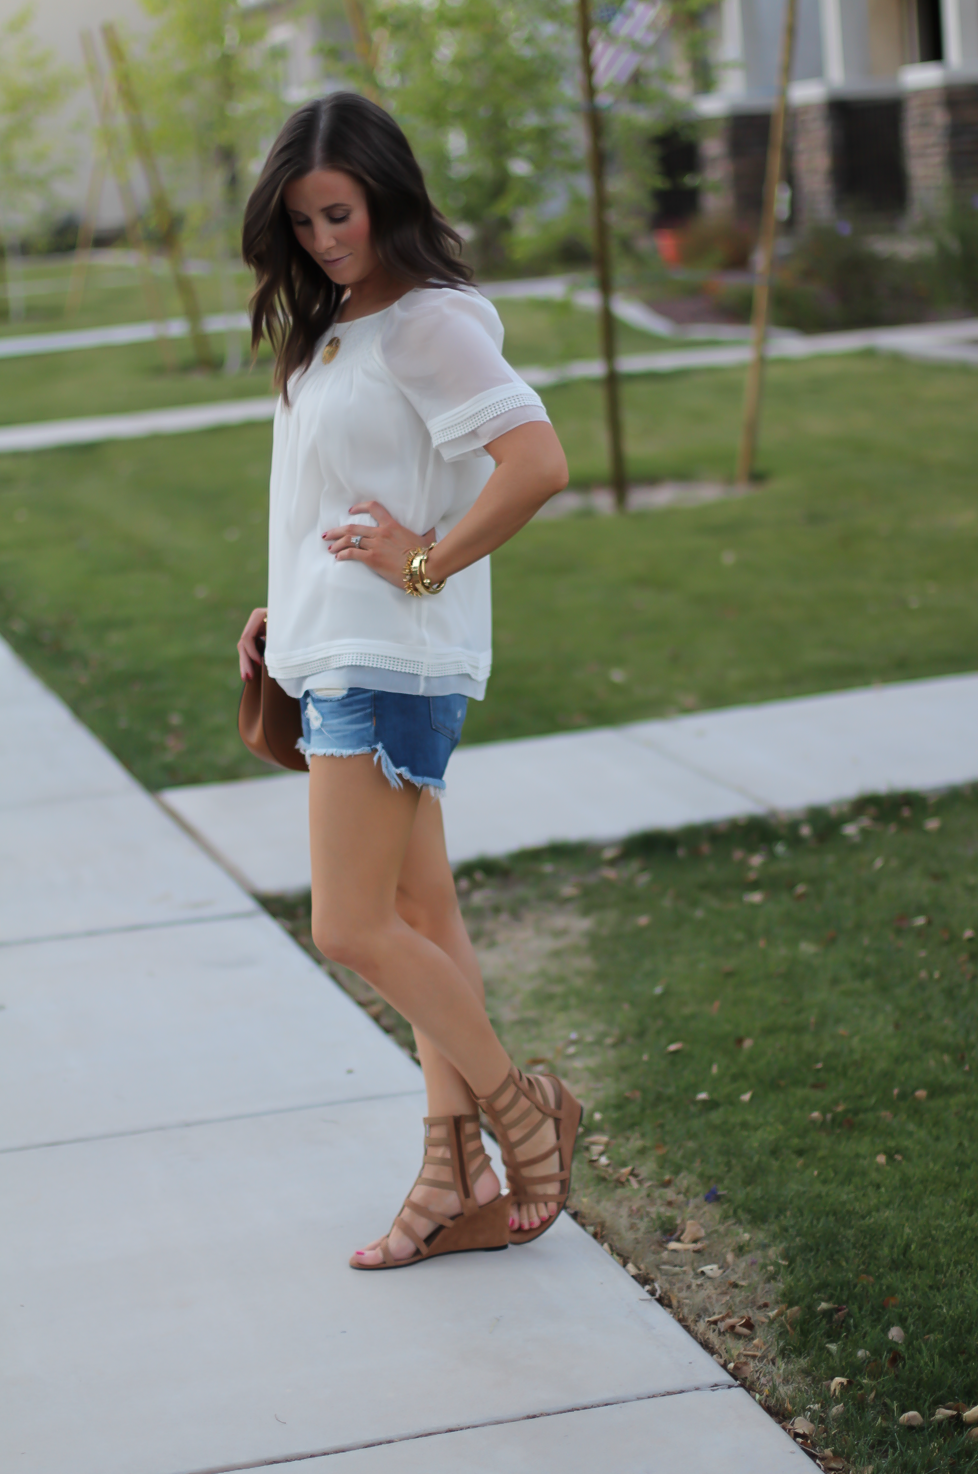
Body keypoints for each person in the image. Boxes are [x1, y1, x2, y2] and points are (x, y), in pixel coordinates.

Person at [237, 92, 580, 1270]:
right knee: (424, 915)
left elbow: (536, 461)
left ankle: (521, 1117)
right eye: (303, 222)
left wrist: (424, 561)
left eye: (338, 213)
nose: (324, 239)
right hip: (347, 646)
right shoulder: (343, 321)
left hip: (391, 662)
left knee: (350, 924)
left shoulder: (430, 322)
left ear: (385, 190)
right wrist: (290, 607)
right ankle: (452, 1177)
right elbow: (338, 494)